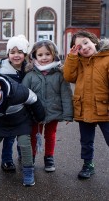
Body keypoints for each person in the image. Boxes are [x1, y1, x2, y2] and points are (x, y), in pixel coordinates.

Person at [0, 73, 45, 186]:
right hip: (1, 123)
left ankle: (28, 171)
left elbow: (34, 99)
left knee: (24, 143)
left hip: (21, 121)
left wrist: (40, 117)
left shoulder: (17, 92)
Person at [63, 30, 109, 179]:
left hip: (104, 108)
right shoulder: (78, 62)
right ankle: (88, 164)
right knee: (86, 141)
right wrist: (72, 57)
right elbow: (69, 76)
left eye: (86, 42)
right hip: (83, 108)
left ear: (94, 41)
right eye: (79, 47)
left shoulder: (106, 59)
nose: (84, 47)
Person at [22, 40, 73, 172]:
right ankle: (31, 157)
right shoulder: (30, 75)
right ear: (34, 56)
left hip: (53, 112)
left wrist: (68, 114)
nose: (44, 58)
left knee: (50, 135)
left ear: (54, 55)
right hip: (34, 113)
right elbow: (23, 94)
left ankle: (49, 157)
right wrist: (24, 113)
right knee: (33, 135)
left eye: (47, 54)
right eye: (40, 55)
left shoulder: (59, 75)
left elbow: (66, 94)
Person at [0, 34, 31, 172]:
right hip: (9, 109)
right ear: (8, 54)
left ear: (25, 54)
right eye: (12, 52)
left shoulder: (28, 69)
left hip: (25, 108)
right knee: (9, 136)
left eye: (20, 52)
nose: (16, 55)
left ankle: (23, 155)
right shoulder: (2, 70)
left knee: (23, 135)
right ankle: (7, 160)